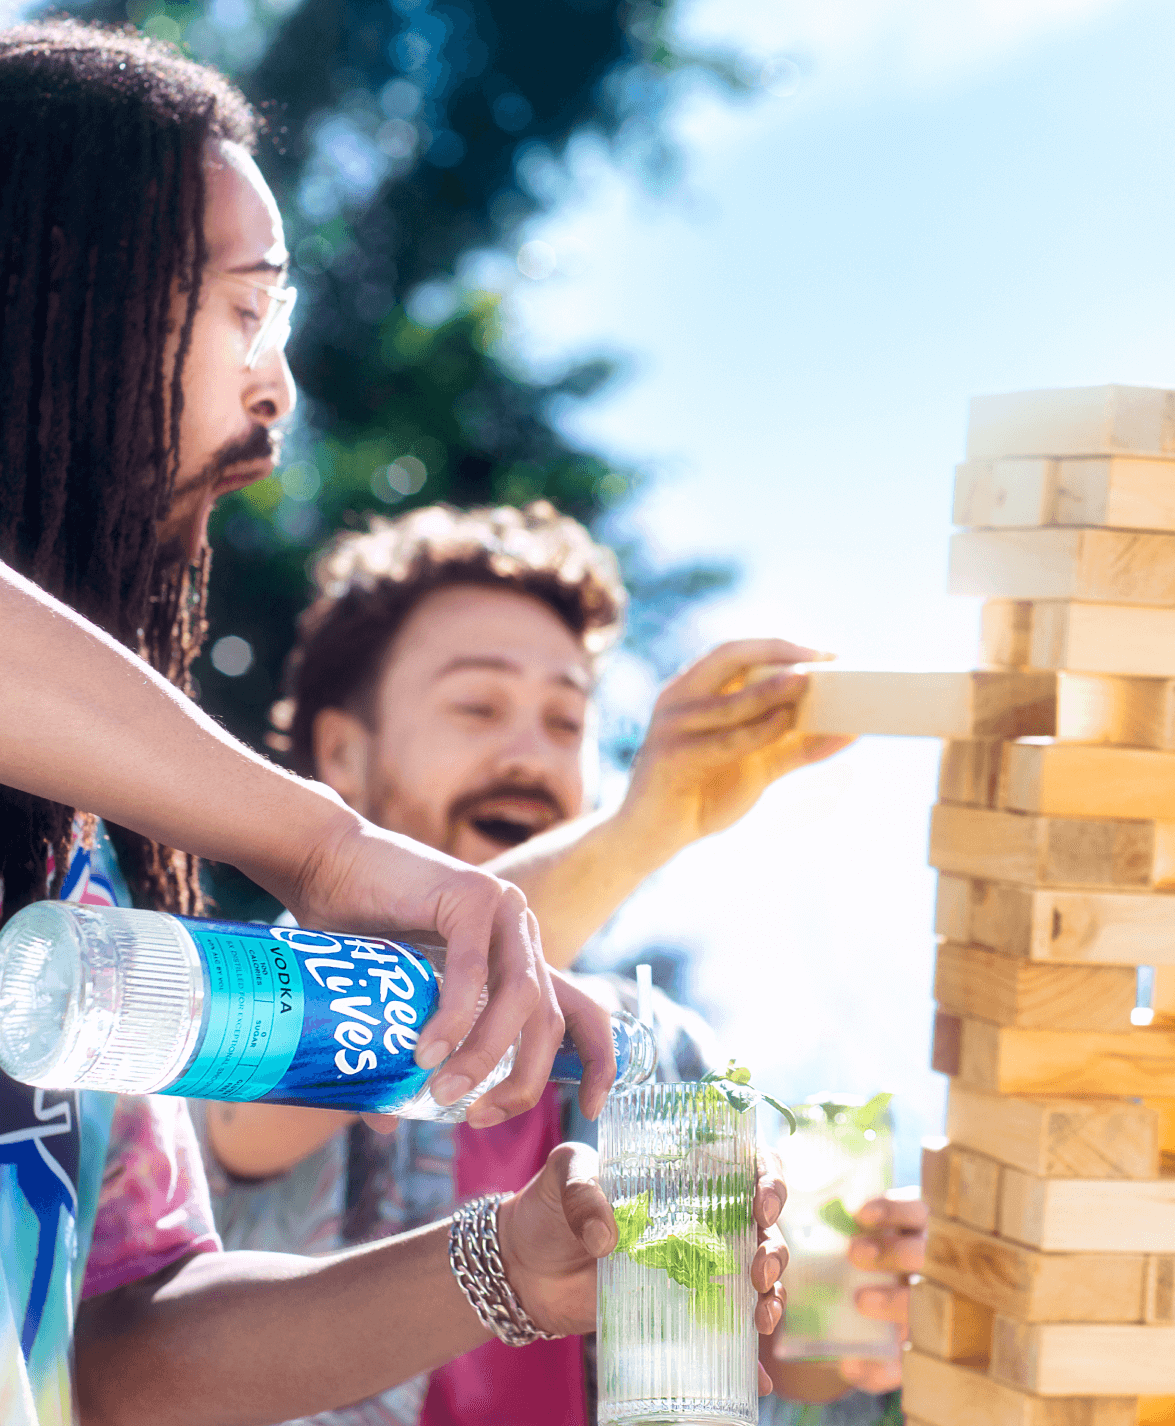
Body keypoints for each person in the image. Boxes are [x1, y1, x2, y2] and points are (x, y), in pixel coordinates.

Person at [0, 26, 793, 1426]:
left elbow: (120, 1347)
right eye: (246, 310)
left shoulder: (81, 870)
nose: (279, 390)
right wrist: (323, 849)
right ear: (56, 289)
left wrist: (503, 1268)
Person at [199, 502, 923, 1424]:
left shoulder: (659, 1048)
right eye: (477, 706)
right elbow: (238, 1125)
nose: (530, 755)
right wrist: (642, 827)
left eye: (565, 720)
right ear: (343, 750)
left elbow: (785, 1352)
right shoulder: (271, 991)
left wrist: (861, 1287)